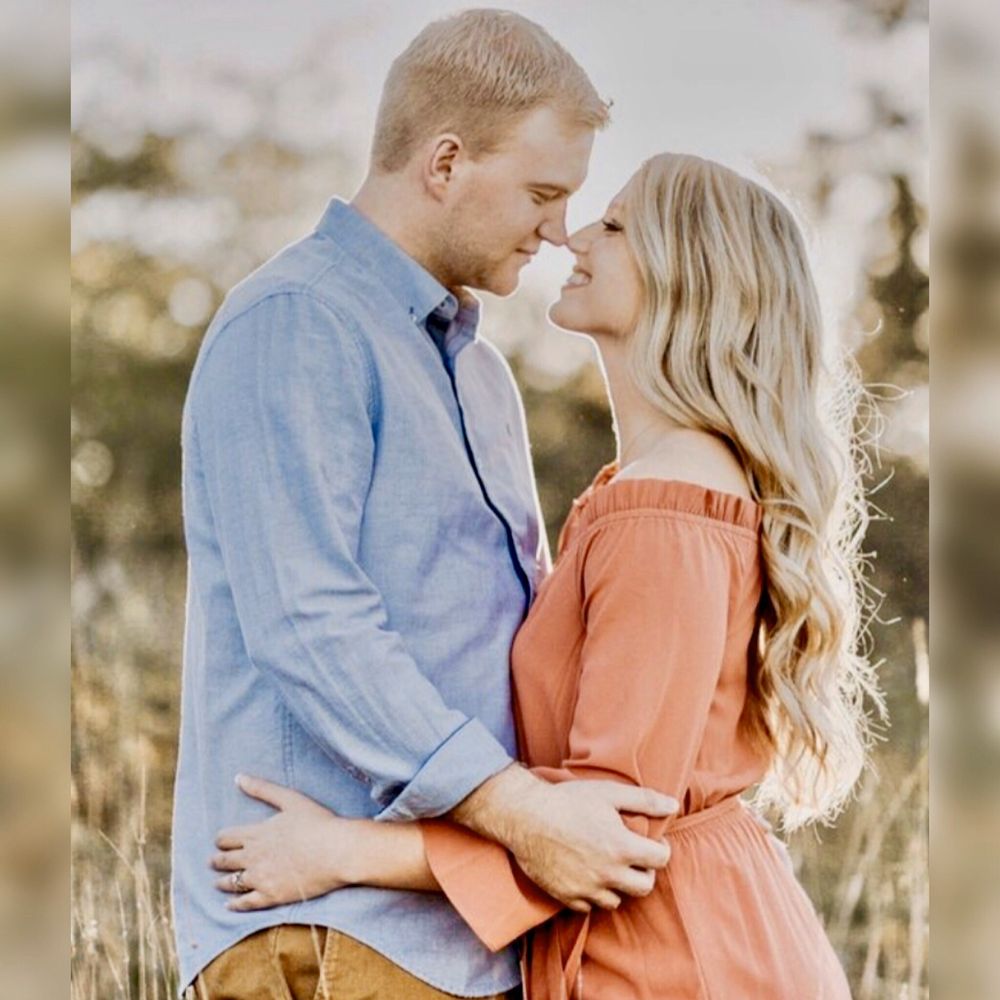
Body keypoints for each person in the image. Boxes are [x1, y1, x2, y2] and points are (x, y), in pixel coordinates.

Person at [211, 153, 883, 999]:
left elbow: (606, 829)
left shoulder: (664, 510)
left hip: (677, 959)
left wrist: (348, 851)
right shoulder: (656, 489)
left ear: (687, 274)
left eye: (616, 224)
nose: (576, 234)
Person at [174, 11, 679, 1000]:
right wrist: (521, 814)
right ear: (445, 162)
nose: (558, 230)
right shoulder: (299, 322)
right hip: (328, 930)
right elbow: (310, 622)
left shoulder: (479, 374)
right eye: (543, 193)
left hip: (467, 932)